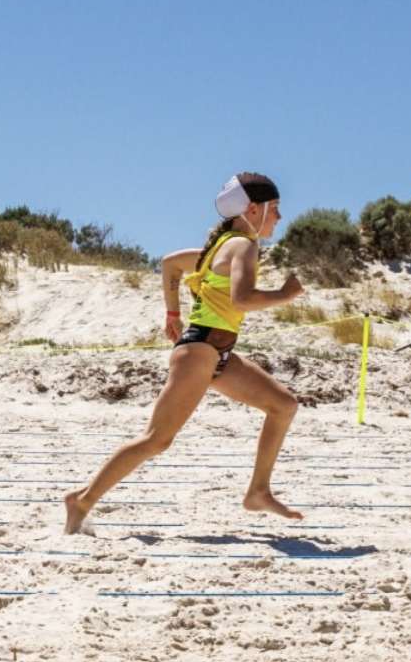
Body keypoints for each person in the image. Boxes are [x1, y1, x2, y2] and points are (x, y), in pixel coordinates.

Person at [64, 172, 305, 533]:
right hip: (200, 351)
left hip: (216, 353)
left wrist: (173, 313)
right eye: (276, 209)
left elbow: (168, 263)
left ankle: (258, 492)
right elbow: (241, 299)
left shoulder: (218, 247)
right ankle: (81, 499)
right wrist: (285, 294)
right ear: (254, 209)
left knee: (283, 405)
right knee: (156, 439)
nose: (279, 218)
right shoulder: (242, 245)